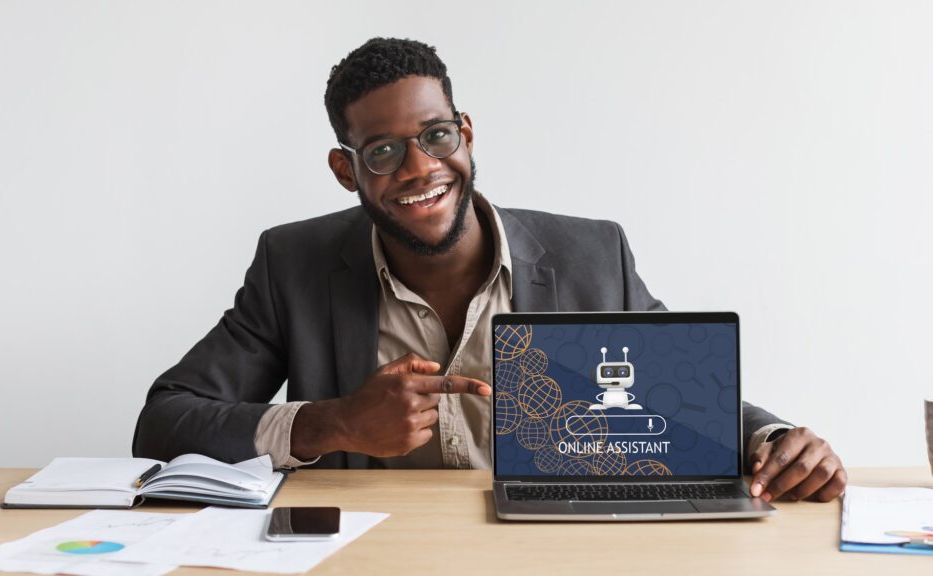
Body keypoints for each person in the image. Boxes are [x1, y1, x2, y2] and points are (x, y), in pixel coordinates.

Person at [133, 37, 846, 502]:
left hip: (552, 553)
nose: (419, 169)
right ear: (345, 171)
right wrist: (334, 424)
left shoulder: (592, 255)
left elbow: (673, 397)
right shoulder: (295, 265)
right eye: (382, 153)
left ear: (464, 134)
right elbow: (165, 422)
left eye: (435, 136)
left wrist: (776, 441)